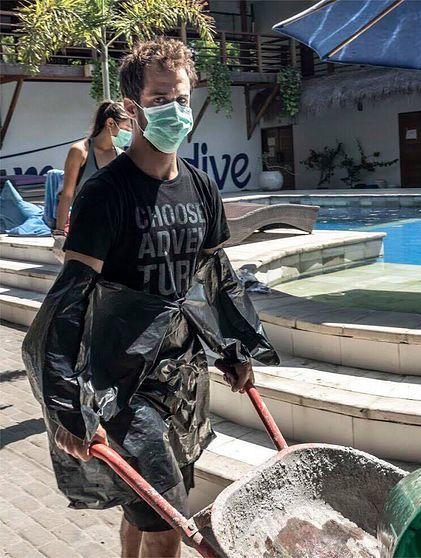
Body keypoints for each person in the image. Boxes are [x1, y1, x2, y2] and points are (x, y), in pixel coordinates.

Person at [49, 38, 254, 558]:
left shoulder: (203, 187)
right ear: (134, 109)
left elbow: (214, 273)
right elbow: (70, 300)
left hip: (181, 378)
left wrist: (234, 345)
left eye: (183, 99)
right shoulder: (106, 194)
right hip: (121, 380)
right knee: (169, 522)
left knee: (142, 507)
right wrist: (64, 403)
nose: (178, 111)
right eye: (163, 99)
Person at [52, 101, 132, 252]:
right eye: (127, 127)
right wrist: (60, 234)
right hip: (84, 230)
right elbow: (67, 195)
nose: (130, 133)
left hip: (114, 233)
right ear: (110, 123)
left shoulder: (121, 156)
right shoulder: (80, 151)